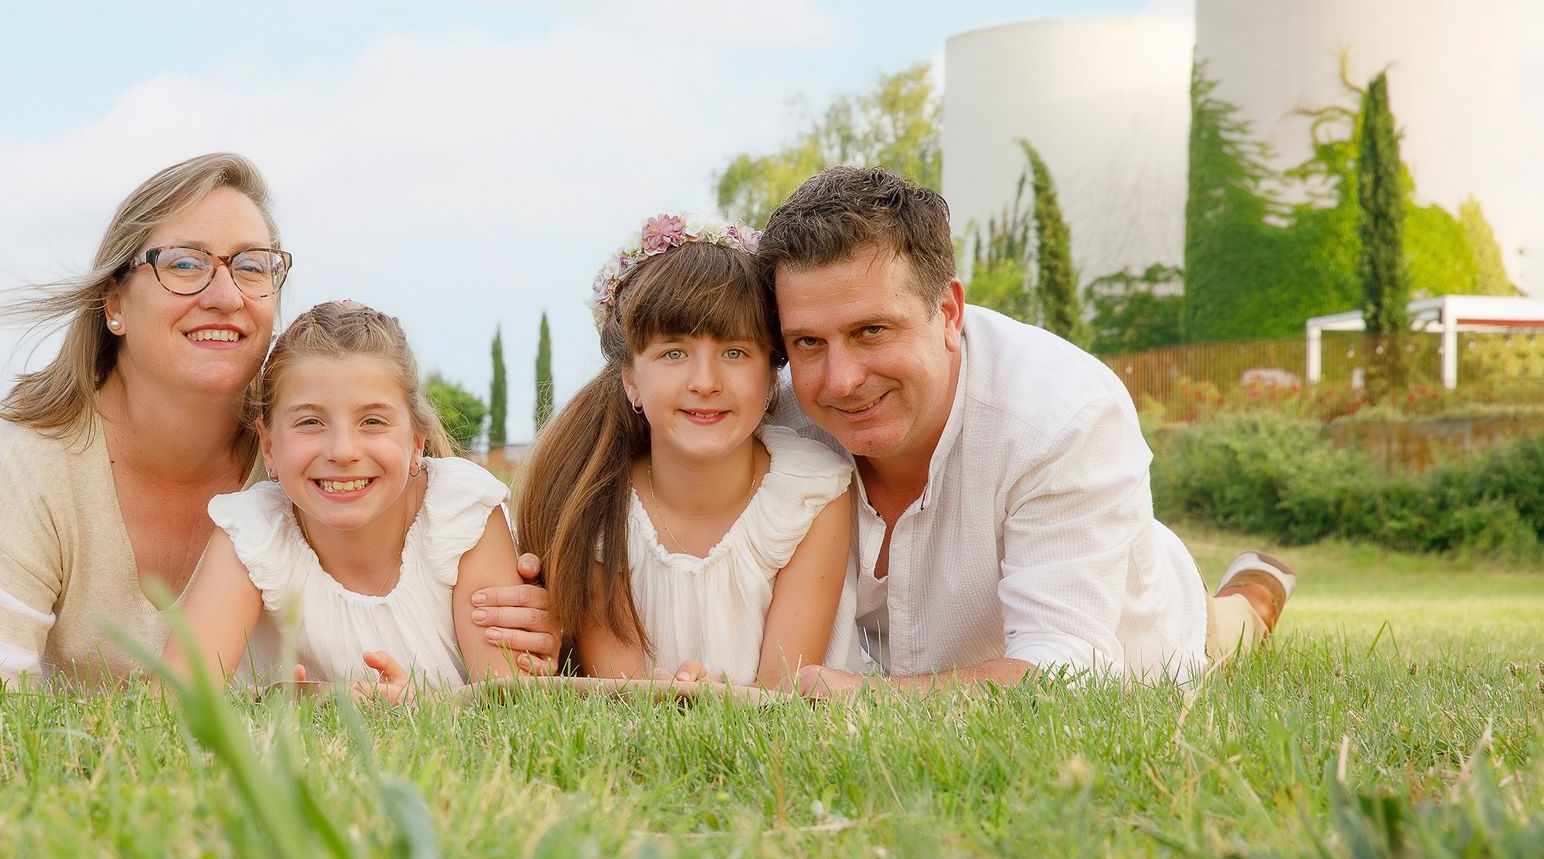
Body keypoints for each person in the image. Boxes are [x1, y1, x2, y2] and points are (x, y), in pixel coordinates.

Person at [0, 154, 556, 701]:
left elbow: (458, 597)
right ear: (114, 302)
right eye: (183, 263)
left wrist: (539, 619)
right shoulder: (41, 459)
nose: (223, 292)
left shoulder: (328, 455)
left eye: (252, 265)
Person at [756, 166, 1295, 694]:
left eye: (871, 331)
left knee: (1230, 631)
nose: (841, 381)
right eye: (807, 343)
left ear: (948, 313)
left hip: (1146, 620)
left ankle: (1255, 593)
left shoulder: (1064, 414)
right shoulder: (769, 414)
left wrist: (862, 693)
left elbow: (1066, 670)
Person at [514, 215, 858, 688]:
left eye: (735, 352)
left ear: (770, 373)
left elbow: (785, 693)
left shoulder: (813, 493)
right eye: (673, 353)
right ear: (630, 379)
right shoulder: (594, 499)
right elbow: (624, 699)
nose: (705, 382)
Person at [161, 301, 530, 699]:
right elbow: (173, 701)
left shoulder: (463, 513)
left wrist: (425, 705)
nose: (342, 451)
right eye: (310, 422)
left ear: (415, 442)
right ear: (268, 446)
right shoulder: (254, 533)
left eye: (372, 421)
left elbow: (506, 700)